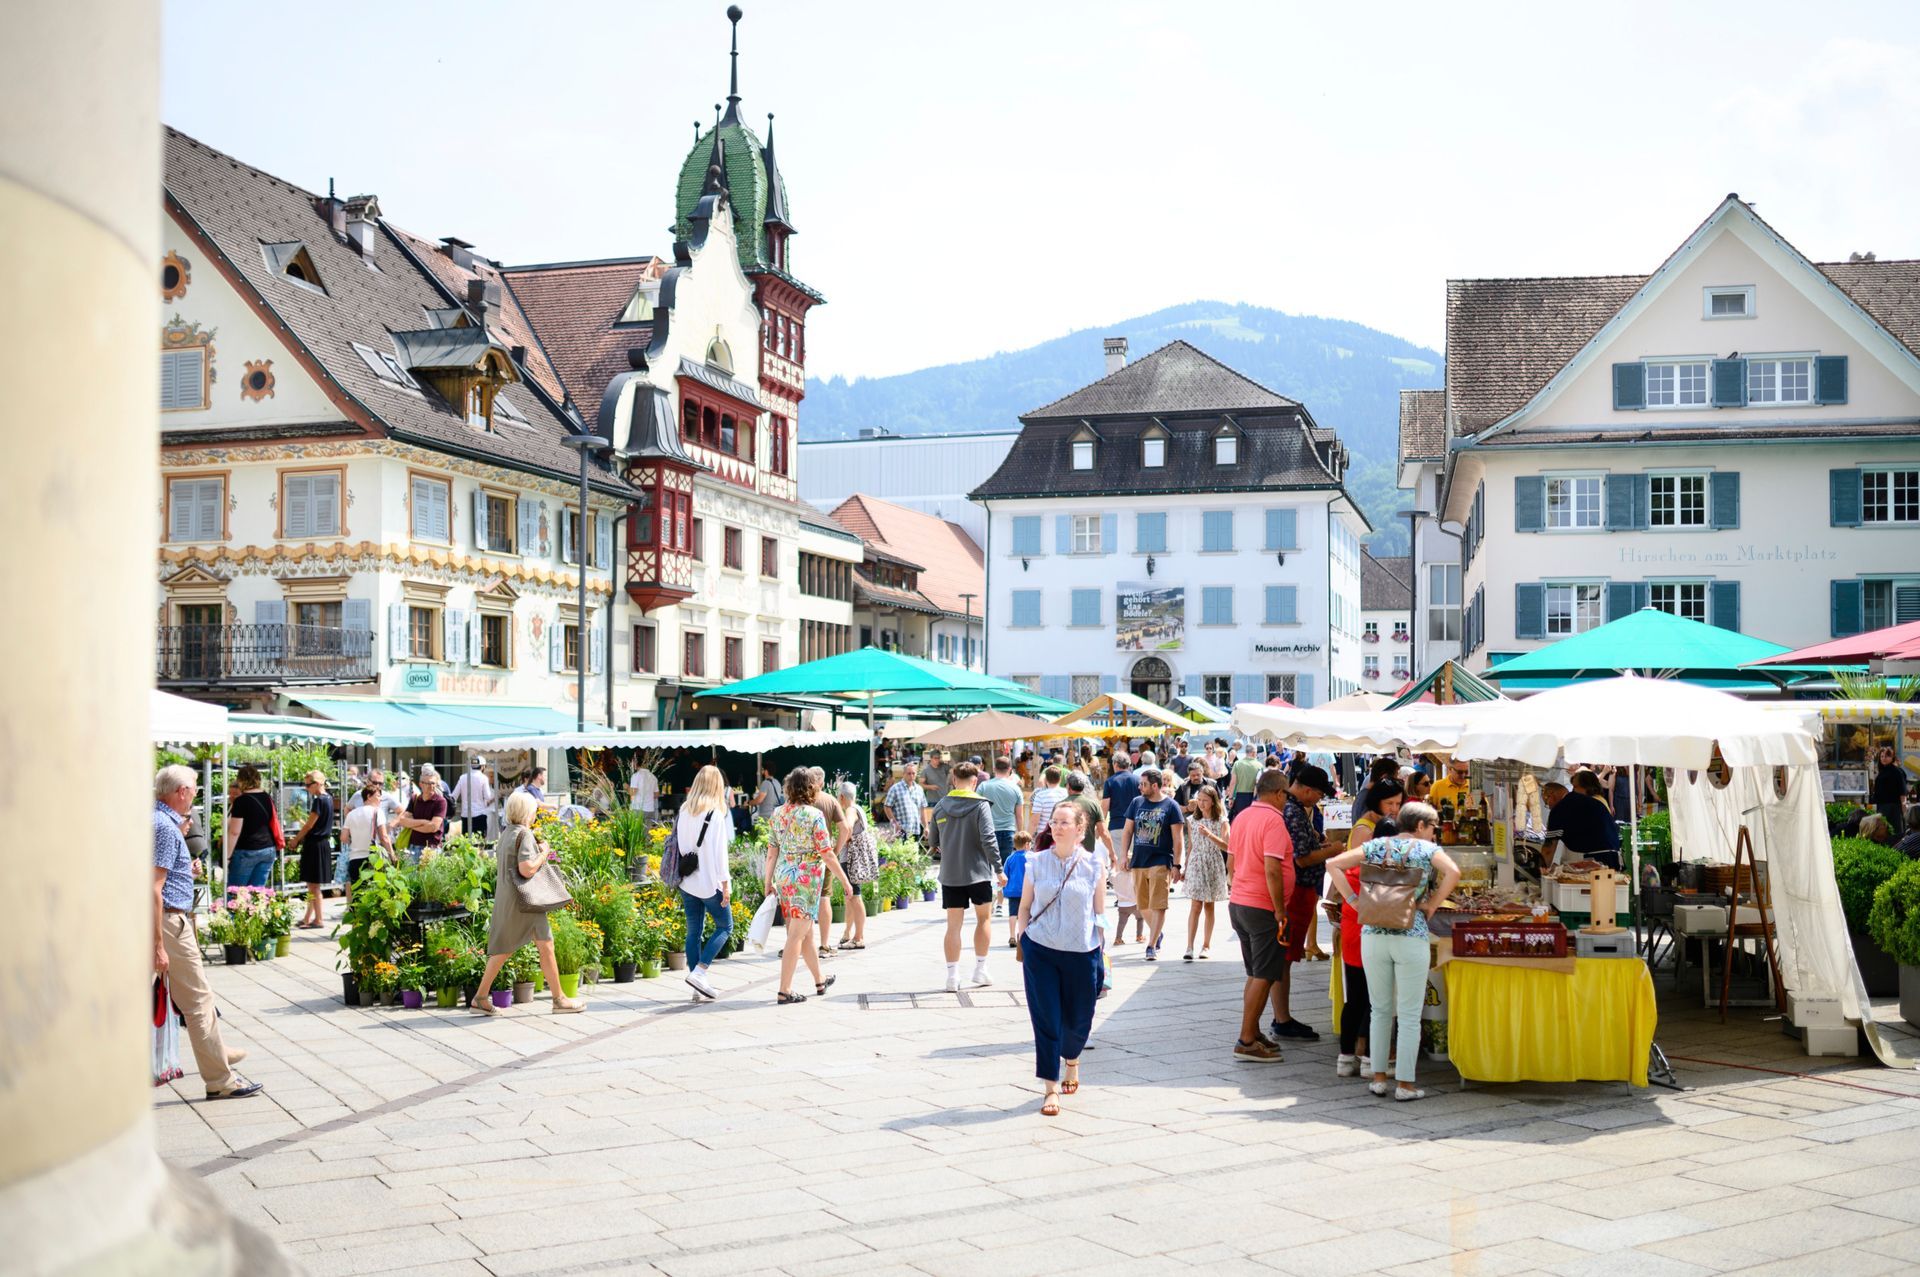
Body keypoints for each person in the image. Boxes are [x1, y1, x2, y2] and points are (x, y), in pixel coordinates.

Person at [1325, 802, 1461, 1102]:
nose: (1434, 833)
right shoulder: (1426, 851)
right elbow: (1453, 872)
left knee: (1380, 1010)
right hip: (1411, 935)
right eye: (1433, 827)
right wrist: (1434, 902)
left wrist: (1354, 900)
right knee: (1410, 1015)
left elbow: (1332, 864)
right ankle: (1406, 1085)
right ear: (1421, 826)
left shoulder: (1376, 845)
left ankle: (1378, 1079)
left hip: (1373, 934)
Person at [153, 765, 261, 1100]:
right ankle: (220, 1079)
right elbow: (153, 888)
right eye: (196, 789)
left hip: (167, 920)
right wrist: (158, 944)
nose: (197, 795)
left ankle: (218, 1054)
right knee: (198, 1001)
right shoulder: (165, 828)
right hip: (169, 922)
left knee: (197, 998)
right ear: (181, 791)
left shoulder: (158, 822)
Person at [1017, 800, 1107, 1117]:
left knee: (1079, 1019)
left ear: (1080, 830)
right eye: (1054, 822)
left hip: (1082, 951)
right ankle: (1050, 1087)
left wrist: (1102, 954)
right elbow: (1025, 906)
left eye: (1064, 822)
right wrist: (1021, 936)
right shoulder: (1035, 862)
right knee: (1046, 1018)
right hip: (1040, 949)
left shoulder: (1094, 865)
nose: (1056, 827)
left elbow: (1099, 913)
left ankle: (1072, 1058)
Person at [470, 791, 583, 1016]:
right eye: (533, 811)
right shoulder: (525, 835)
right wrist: (545, 853)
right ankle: (559, 999)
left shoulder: (506, 834)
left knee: (506, 949)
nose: (535, 814)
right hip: (526, 901)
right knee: (545, 945)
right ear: (527, 812)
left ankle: (480, 997)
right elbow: (527, 869)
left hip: (508, 899)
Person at [764, 768, 850, 1004]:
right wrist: (845, 881)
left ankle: (820, 980)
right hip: (805, 882)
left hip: (785, 879)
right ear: (812, 788)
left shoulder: (777, 813)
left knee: (806, 933)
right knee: (795, 937)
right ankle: (784, 990)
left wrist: (768, 882)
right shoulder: (814, 815)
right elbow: (827, 854)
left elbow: (772, 852)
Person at [1226, 769, 1294, 1062]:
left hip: (1240, 902)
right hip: (1261, 906)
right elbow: (1272, 868)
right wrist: (1279, 909)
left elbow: (1231, 861)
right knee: (1264, 974)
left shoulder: (1242, 816)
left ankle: (1252, 1031)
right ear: (1279, 793)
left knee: (1256, 974)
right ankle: (1245, 1040)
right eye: (1286, 795)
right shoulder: (1273, 820)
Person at [929, 760, 1005, 992]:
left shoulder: (941, 806)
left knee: (953, 926)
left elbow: (933, 842)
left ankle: (952, 976)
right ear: (974, 781)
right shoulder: (981, 805)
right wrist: (999, 869)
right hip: (979, 873)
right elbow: (988, 839)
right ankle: (980, 969)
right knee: (984, 919)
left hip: (951, 873)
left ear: (954, 780)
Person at [1274, 765, 1333, 1040]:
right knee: (1283, 958)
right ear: (1308, 790)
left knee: (1284, 958)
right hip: (1296, 890)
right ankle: (1281, 1019)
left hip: (1299, 891)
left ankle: (1282, 1017)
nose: (1318, 800)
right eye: (1319, 795)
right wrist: (1333, 850)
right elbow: (1302, 858)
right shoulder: (1293, 810)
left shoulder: (1294, 808)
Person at [675, 765, 735, 1001]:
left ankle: (695, 983)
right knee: (725, 926)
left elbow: (680, 846)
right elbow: (721, 855)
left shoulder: (684, 809)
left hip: (688, 880)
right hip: (709, 882)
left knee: (694, 932)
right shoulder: (715, 815)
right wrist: (726, 883)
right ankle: (700, 972)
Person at [1119, 767, 1185, 959]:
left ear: (1155, 786)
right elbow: (1127, 831)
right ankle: (1158, 932)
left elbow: (1178, 838)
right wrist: (1123, 855)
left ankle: (1151, 945)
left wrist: (1177, 865)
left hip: (1161, 860)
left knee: (1159, 905)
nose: (1140, 787)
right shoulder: (1136, 802)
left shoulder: (1171, 806)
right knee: (1142, 904)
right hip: (1139, 860)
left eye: (1144, 784)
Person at [1181, 783, 1230, 961]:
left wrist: (1210, 834)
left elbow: (1227, 846)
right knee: (1195, 905)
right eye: (1199, 800)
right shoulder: (1192, 820)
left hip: (1213, 862)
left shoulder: (1222, 821)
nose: (1201, 804)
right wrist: (1185, 867)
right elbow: (1191, 845)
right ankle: (1189, 946)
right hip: (1196, 862)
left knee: (1209, 905)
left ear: (1213, 801)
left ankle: (1206, 945)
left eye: (1205, 800)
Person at [807, 767, 850, 955]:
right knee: (824, 897)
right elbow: (845, 829)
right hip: (824, 856)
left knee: (797, 900)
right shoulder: (830, 800)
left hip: (800, 858)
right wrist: (836, 850)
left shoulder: (799, 799)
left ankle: (796, 944)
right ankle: (824, 944)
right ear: (823, 782)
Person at [1545, 772, 1622, 870]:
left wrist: (1542, 872)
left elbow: (1549, 850)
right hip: (1612, 857)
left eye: (1575, 787)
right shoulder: (1595, 803)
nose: (1573, 791)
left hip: (1594, 860)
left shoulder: (1560, 808)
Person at [288, 770, 335, 929]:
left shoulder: (319, 801)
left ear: (318, 783)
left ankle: (318, 919)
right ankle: (308, 917)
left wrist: (296, 839)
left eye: (308, 784)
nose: (306, 788)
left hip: (314, 844)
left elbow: (309, 825)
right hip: (322, 843)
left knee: (313, 886)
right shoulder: (329, 799)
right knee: (312, 885)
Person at [836, 779, 880, 950]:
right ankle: (848, 933)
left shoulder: (850, 810)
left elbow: (846, 828)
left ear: (841, 797)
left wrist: (836, 848)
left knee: (855, 896)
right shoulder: (859, 808)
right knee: (851, 897)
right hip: (853, 859)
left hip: (850, 859)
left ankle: (859, 937)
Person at [222, 763, 278, 892]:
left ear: (241, 780)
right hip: (268, 849)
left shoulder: (241, 801)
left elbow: (234, 832)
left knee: (236, 894)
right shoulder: (267, 797)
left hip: (247, 850)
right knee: (257, 895)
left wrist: (227, 857)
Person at [339, 776, 395, 896]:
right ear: (368, 796)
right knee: (372, 895)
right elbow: (384, 837)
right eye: (378, 796)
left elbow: (343, 838)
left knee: (357, 894)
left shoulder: (351, 814)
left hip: (354, 859)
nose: (380, 799)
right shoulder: (377, 812)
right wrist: (392, 856)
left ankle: (355, 915)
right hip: (371, 858)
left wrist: (355, 842)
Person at [980, 756, 1024, 885]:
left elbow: (976, 809)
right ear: (1010, 769)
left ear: (994, 769)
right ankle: (1002, 896)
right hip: (1008, 831)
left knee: (985, 865)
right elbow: (1019, 815)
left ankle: (988, 893)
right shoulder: (1016, 788)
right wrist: (1020, 834)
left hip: (987, 831)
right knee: (1004, 868)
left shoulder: (983, 786)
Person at [396, 763, 449, 862]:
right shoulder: (415, 799)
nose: (431, 786)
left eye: (433, 783)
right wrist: (424, 822)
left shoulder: (440, 801)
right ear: (420, 784)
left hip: (431, 848)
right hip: (413, 846)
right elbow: (402, 821)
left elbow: (433, 827)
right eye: (428, 783)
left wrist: (411, 824)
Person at [451, 759, 495, 839]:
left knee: (467, 843)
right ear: (482, 767)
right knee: (480, 843)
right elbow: (488, 796)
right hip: (479, 815)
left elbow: (454, 795)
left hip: (465, 815)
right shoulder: (483, 778)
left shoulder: (462, 777)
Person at [1002, 831, 1032, 948]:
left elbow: (1005, 875)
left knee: (1013, 914)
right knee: (1028, 914)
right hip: (1027, 891)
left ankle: (1012, 936)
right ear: (1026, 845)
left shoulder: (1010, 858)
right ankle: (1024, 935)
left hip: (1013, 891)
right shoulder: (1031, 857)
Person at [1352, 757, 1403, 823]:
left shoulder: (1364, 794)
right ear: (1384, 777)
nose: (1395, 782)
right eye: (1395, 779)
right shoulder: (1369, 797)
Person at [886, 763, 926, 843]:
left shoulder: (919, 789)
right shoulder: (895, 788)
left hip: (916, 829)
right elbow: (887, 807)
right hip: (901, 829)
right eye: (909, 773)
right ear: (903, 774)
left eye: (913, 773)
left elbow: (922, 808)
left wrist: (926, 826)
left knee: (914, 854)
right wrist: (895, 823)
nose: (911, 776)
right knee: (902, 854)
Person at [1101, 754, 1140, 838]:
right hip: (1136, 825)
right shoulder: (1138, 780)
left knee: (1118, 851)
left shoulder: (1110, 782)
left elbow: (1104, 808)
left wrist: (1100, 828)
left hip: (1117, 825)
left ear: (1115, 764)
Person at [1872, 745, 1910, 830]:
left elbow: (1902, 791)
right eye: (1882, 756)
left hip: (1894, 808)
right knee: (1883, 832)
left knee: (1895, 832)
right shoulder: (1882, 771)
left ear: (1892, 757)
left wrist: (1904, 807)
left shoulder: (1897, 772)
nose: (1883, 758)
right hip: (1882, 807)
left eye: (1886, 756)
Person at [1029, 765, 1068, 835]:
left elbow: (1034, 822)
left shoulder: (1040, 795)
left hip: (1044, 835)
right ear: (1060, 779)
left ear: (1046, 780)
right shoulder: (1066, 794)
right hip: (1063, 833)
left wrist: (1028, 838)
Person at [1228, 745, 1261, 818]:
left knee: (1240, 819)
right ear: (1253, 753)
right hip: (1254, 796)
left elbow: (1233, 782)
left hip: (1240, 796)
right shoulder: (1260, 765)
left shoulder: (1237, 764)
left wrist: (1230, 798)